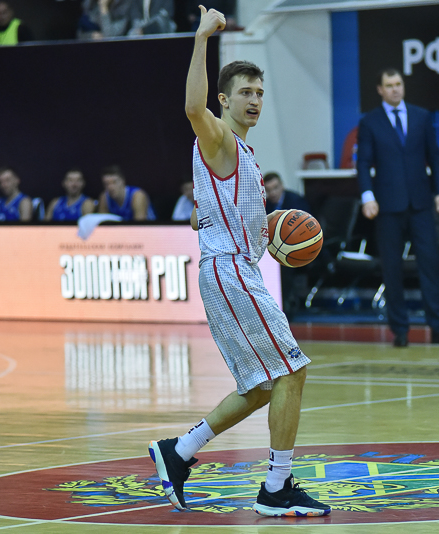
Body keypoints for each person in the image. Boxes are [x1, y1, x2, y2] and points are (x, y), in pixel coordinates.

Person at [147, 6, 330, 518]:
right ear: (224, 100)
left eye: (260, 93)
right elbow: (192, 107)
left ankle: (178, 452)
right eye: (245, 92)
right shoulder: (220, 137)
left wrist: (253, 227)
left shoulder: (243, 154)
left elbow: (205, 211)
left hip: (233, 270)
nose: (255, 100)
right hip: (229, 272)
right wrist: (202, 38)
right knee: (293, 370)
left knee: (262, 386)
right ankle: (276, 487)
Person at [356, 67, 439, 348]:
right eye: (389, 85)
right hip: (387, 205)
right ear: (380, 90)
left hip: (420, 203)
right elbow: (364, 163)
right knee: (392, 269)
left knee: (430, 265)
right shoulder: (369, 122)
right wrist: (368, 197)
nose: (395, 89)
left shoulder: (421, 116)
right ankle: (400, 331)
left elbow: (435, 157)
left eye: (398, 84)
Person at [263, 172, 311, 320]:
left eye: (275, 188)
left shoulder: (295, 201)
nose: (273, 193)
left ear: (282, 186)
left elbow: (306, 229)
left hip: (301, 246)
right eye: (269, 190)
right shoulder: (266, 205)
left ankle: (287, 303)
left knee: (282, 260)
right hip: (275, 247)